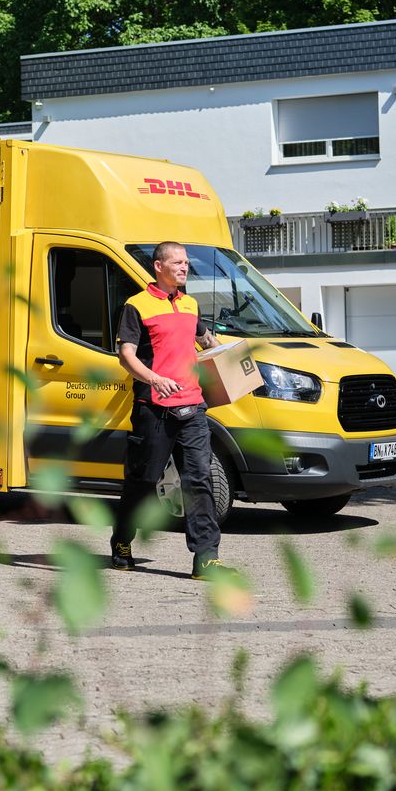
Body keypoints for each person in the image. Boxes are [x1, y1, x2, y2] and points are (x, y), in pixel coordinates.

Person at [110, 241, 229, 579]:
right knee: (143, 480)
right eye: (177, 262)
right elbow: (127, 355)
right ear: (158, 266)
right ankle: (122, 540)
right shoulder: (137, 306)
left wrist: (233, 360)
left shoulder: (190, 304)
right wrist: (154, 378)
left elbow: (208, 341)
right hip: (154, 408)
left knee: (199, 480)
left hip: (192, 406)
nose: (184, 267)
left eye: (187, 262)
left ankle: (206, 558)